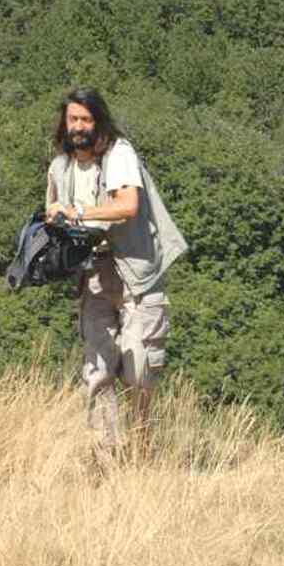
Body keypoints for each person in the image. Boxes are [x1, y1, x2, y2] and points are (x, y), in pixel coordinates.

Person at [46, 87, 187, 453]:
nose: (79, 126)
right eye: (73, 119)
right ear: (65, 122)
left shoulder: (118, 155)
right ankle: (103, 454)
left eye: (87, 119)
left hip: (136, 271)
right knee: (97, 369)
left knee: (138, 366)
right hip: (91, 273)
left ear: (99, 121)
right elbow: (53, 212)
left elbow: (127, 205)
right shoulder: (61, 166)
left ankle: (142, 444)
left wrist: (78, 213)